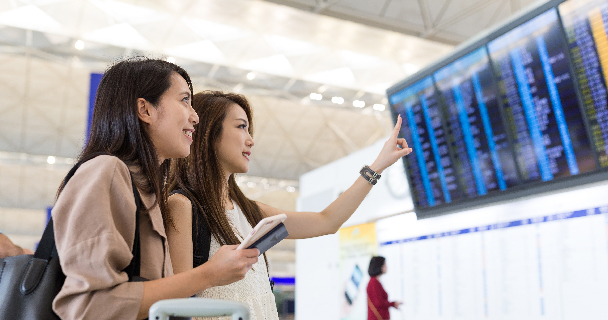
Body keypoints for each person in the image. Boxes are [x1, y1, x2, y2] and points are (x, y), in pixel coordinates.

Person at [166, 91, 412, 320]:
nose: (251, 140)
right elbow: (177, 303)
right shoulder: (182, 206)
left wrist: (377, 166)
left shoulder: (250, 211)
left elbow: (328, 221)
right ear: (210, 134)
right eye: (241, 127)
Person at [51, 58, 259, 320]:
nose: (195, 117)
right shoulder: (106, 172)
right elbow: (89, 307)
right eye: (185, 100)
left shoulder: (147, 191)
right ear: (145, 110)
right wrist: (208, 274)